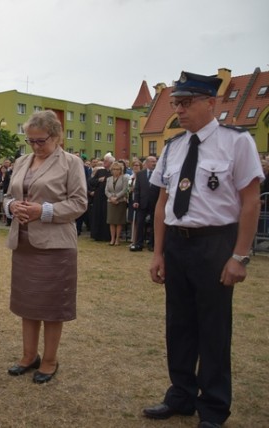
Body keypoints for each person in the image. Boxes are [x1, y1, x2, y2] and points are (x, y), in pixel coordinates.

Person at [144, 71, 263, 427]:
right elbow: (163, 202)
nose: (179, 109)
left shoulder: (236, 142)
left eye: (186, 102)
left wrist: (239, 256)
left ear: (211, 102)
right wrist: (158, 252)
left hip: (215, 243)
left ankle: (212, 407)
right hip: (178, 244)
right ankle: (181, 394)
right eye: (176, 103)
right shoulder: (173, 146)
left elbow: (251, 201)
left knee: (213, 328)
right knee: (178, 325)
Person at [3, 110, 87, 384]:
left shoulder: (71, 163)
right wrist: (11, 206)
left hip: (55, 247)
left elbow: (78, 203)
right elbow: (7, 196)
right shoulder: (21, 162)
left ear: (56, 136)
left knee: (51, 306)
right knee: (28, 303)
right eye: (31, 141)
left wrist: (44, 211)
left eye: (41, 141)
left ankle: (50, 359)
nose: (36, 146)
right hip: (24, 243)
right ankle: (29, 356)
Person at [130, 156, 159, 251]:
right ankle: (139, 243)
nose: (154, 163)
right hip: (142, 202)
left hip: (155, 202)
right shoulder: (140, 174)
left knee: (153, 224)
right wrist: (136, 201)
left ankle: (152, 244)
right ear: (146, 163)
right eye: (152, 161)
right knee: (140, 223)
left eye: (155, 161)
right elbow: (137, 189)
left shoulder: (159, 174)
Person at [88, 154, 113, 241]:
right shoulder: (100, 171)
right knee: (98, 214)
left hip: (108, 197)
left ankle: (106, 236)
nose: (104, 162)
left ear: (110, 163)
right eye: (104, 161)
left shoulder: (113, 172)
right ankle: (97, 235)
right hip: (98, 197)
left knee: (106, 215)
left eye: (106, 161)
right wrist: (98, 180)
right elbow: (91, 181)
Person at [105, 161, 129, 246]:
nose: (115, 171)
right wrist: (111, 198)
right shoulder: (109, 179)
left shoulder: (124, 178)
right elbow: (106, 190)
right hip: (110, 202)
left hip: (120, 201)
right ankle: (112, 239)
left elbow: (125, 189)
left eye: (117, 169)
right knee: (111, 221)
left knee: (118, 221)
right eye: (114, 169)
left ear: (121, 170)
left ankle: (117, 239)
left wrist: (116, 197)